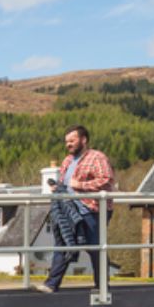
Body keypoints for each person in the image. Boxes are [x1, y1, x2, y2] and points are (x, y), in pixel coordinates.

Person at [40, 125, 116, 293]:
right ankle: (51, 284)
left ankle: (102, 286)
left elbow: (106, 180)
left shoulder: (97, 157)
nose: (69, 144)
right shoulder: (67, 160)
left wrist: (80, 185)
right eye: (67, 141)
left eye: (72, 140)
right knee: (64, 242)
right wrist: (57, 188)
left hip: (92, 208)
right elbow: (65, 183)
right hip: (70, 208)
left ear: (84, 140)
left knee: (94, 247)